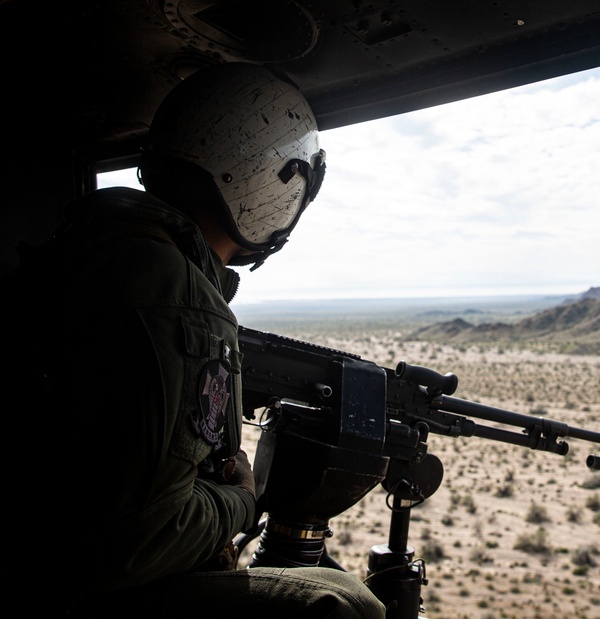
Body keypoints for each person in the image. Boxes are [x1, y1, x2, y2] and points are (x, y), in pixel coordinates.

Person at [6, 63, 385, 618]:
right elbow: (134, 544)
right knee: (348, 604)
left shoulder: (91, 246)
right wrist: (239, 499)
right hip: (70, 583)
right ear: (275, 182)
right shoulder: (178, 294)